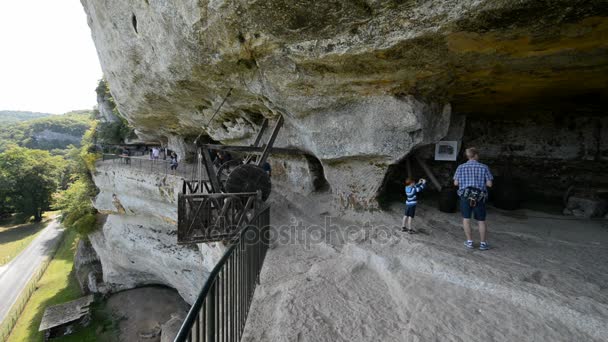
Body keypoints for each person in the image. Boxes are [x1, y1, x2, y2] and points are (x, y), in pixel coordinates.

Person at [453, 147, 494, 250]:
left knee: (466, 219)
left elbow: (456, 183)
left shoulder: (461, 167)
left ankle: (470, 242)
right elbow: (489, 184)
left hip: (465, 196)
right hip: (479, 197)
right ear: (475, 155)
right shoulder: (484, 167)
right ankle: (483, 244)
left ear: (468, 156)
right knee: (481, 221)